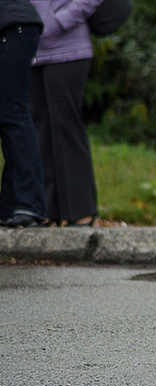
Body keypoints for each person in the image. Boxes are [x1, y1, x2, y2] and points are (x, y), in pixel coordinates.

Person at [29, 0, 104, 227]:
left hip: (68, 48)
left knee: (66, 128)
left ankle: (81, 212)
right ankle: (46, 210)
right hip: (29, 50)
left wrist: (59, 20)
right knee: (38, 131)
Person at [0, 0, 47, 228]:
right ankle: (10, 205)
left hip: (13, 26)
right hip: (14, 25)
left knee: (13, 113)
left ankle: (29, 203)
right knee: (7, 115)